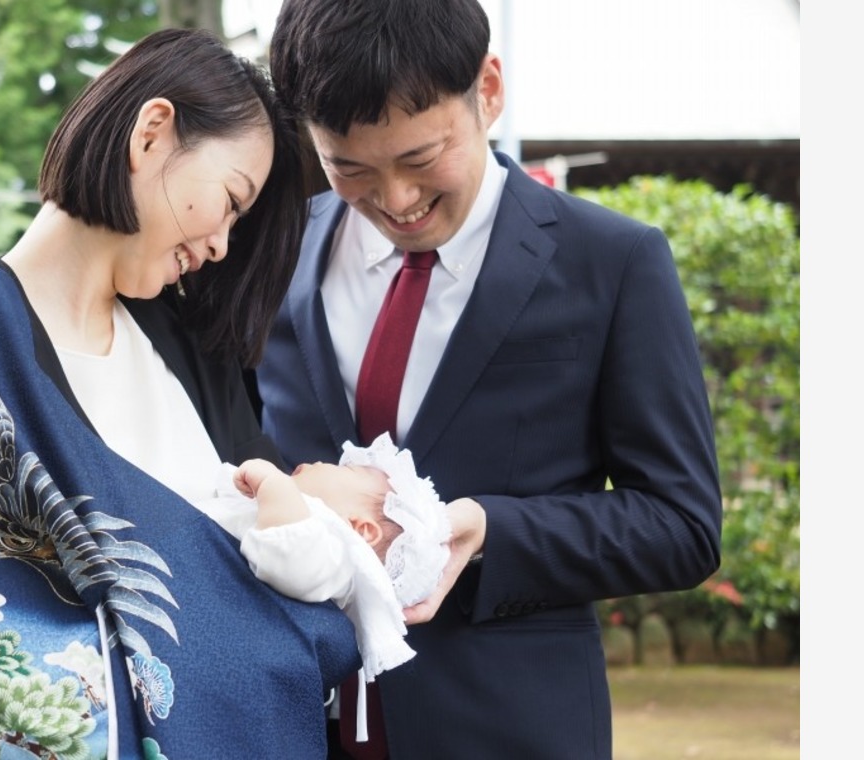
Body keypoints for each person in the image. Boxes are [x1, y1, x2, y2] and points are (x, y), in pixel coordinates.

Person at [0, 28, 360, 760]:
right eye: (231, 201)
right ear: (152, 133)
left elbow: (277, 571)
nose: (222, 244)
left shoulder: (197, 358)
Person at [253, 1, 725, 758]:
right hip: (285, 723)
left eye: (420, 159)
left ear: (490, 90)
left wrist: (487, 532)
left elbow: (682, 525)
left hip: (509, 729)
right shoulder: (268, 253)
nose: (396, 202)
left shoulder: (611, 262)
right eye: (351, 169)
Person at [194, 432, 451, 684]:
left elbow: (286, 554)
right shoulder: (305, 520)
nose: (322, 463)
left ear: (362, 529)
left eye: (346, 470)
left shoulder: (337, 555)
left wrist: (272, 483)